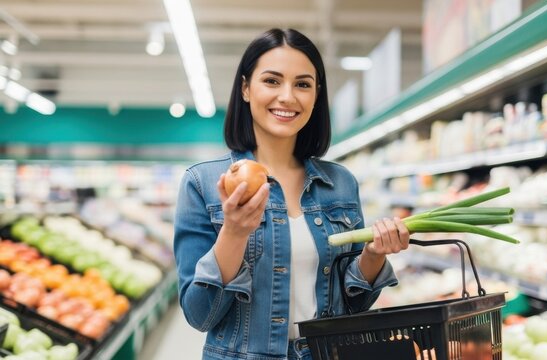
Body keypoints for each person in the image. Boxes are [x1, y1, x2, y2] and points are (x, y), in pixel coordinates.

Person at [173, 28, 410, 360]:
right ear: (245, 88)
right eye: (271, 81)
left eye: (302, 84)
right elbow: (200, 315)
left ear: (316, 95)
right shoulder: (205, 183)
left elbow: (353, 305)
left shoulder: (340, 183)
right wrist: (235, 233)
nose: (287, 97)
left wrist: (373, 256)